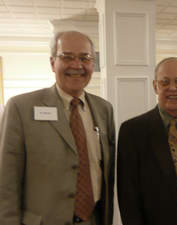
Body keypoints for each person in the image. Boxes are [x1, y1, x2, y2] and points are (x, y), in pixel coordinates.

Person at [0, 31, 115, 225]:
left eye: (84, 58)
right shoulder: (21, 108)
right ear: (53, 63)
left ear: (92, 64)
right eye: (67, 57)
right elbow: (6, 184)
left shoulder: (104, 109)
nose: (77, 65)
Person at [117, 57, 177, 225]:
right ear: (155, 86)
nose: (172, 88)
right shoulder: (132, 131)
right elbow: (128, 196)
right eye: (165, 82)